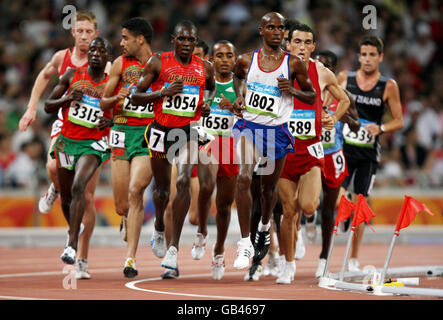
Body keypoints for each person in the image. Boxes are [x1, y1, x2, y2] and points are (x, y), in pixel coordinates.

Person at [19, 10, 107, 280]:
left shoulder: (107, 64)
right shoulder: (62, 58)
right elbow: (44, 77)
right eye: (79, 31)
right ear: (73, 33)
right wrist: (30, 108)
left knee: (88, 198)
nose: (83, 36)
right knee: (52, 165)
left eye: (88, 32)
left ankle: (82, 258)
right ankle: (55, 188)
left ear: (96, 34)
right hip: (65, 126)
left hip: (93, 136)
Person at [231, 12, 316, 272]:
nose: (277, 32)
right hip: (249, 127)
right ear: (261, 30)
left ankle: (265, 228)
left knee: (268, 192)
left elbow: (311, 96)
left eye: (281, 28)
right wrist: (239, 97)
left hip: (277, 132)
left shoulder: (294, 65)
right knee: (244, 177)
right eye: (271, 27)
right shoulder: (246, 60)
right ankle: (245, 242)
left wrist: (292, 90)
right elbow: (236, 78)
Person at [131, 20, 216, 278]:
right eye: (182, 39)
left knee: (182, 181)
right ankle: (158, 227)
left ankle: (173, 248)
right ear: (173, 39)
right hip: (160, 130)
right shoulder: (158, 62)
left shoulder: (205, 68)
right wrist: (162, 93)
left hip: (186, 132)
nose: (187, 44)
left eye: (191, 40)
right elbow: (136, 96)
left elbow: (210, 90)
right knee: (161, 191)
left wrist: (205, 106)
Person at [276, 23, 350, 284]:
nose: (302, 47)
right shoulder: (277, 69)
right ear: (288, 44)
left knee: (308, 206)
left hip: (310, 150)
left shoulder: (321, 72)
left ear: (314, 47)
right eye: (297, 42)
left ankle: (302, 228)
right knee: (288, 210)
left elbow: (345, 100)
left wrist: (333, 119)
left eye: (307, 43)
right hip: (284, 150)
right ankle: (288, 264)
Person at [44, 37, 112, 267]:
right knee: (67, 194)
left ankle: (71, 245)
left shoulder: (112, 84)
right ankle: (74, 227)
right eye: (92, 50)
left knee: (78, 186)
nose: (95, 54)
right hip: (66, 142)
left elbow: (120, 116)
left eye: (101, 51)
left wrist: (108, 122)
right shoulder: (71, 75)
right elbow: (48, 105)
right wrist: (67, 98)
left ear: (106, 57)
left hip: (93, 145)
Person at [338, 35, 403, 272]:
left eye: (372, 55)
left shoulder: (389, 86)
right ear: (358, 57)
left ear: (380, 57)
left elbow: (399, 120)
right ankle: (343, 215)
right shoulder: (346, 78)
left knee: (360, 204)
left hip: (368, 154)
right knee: (338, 199)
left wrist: (381, 128)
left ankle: (353, 258)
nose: (367, 59)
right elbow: (331, 105)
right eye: (363, 54)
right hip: (344, 149)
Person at [100, 17, 155, 278]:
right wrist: (115, 97)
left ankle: (130, 258)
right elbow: (103, 103)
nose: (121, 43)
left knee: (136, 192)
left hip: (147, 135)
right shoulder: (121, 64)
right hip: (121, 132)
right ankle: (126, 218)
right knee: (122, 205)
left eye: (125, 38)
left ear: (139, 39)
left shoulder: (160, 64)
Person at [190, 40, 238, 280]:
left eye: (230, 55)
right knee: (206, 186)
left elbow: (250, 112)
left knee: (224, 205)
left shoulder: (240, 84)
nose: (225, 59)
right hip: (206, 139)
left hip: (230, 143)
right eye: (220, 55)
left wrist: (237, 108)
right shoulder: (202, 81)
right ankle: (201, 231)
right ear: (213, 59)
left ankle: (219, 249)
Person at [315, 50, 360, 277]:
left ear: (333, 70)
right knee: (307, 201)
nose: (323, 69)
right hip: (311, 153)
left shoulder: (343, 95)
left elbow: (356, 125)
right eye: (319, 64)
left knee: (328, 208)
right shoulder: (308, 91)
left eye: (328, 66)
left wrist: (338, 116)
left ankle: (324, 256)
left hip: (333, 156)